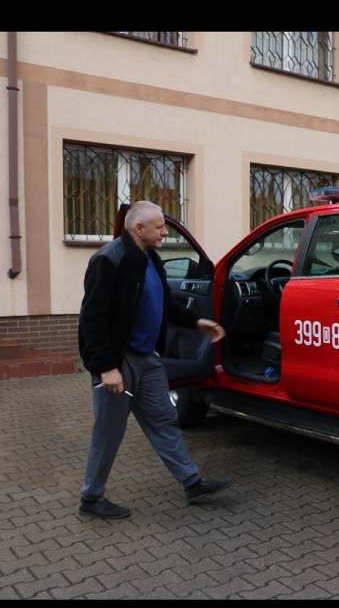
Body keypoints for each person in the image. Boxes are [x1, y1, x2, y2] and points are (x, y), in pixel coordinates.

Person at [77, 200, 234, 519]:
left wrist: (196, 322)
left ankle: (192, 483)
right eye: (160, 227)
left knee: (164, 420)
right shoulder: (109, 261)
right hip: (119, 363)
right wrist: (107, 367)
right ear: (139, 229)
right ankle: (91, 498)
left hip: (147, 361)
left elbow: (164, 303)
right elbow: (92, 319)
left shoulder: (151, 259)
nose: (164, 232)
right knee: (109, 432)